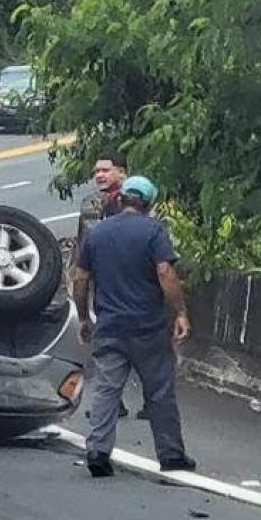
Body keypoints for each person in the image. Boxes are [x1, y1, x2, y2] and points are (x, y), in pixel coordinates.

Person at [72, 176, 196, 477]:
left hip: (110, 326)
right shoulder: (154, 231)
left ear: (120, 199)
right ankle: (171, 455)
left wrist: (85, 317)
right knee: (159, 391)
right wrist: (180, 311)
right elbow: (165, 271)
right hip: (148, 328)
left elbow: (80, 278)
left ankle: (98, 451)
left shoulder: (97, 233)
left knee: (107, 390)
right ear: (149, 204)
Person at [73, 153, 136, 419]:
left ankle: (150, 403)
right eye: (96, 171)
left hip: (131, 282)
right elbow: (81, 245)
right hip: (102, 283)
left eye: (106, 170)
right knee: (107, 343)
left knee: (136, 343)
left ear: (121, 173)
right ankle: (113, 402)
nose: (99, 175)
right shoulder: (92, 204)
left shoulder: (134, 203)